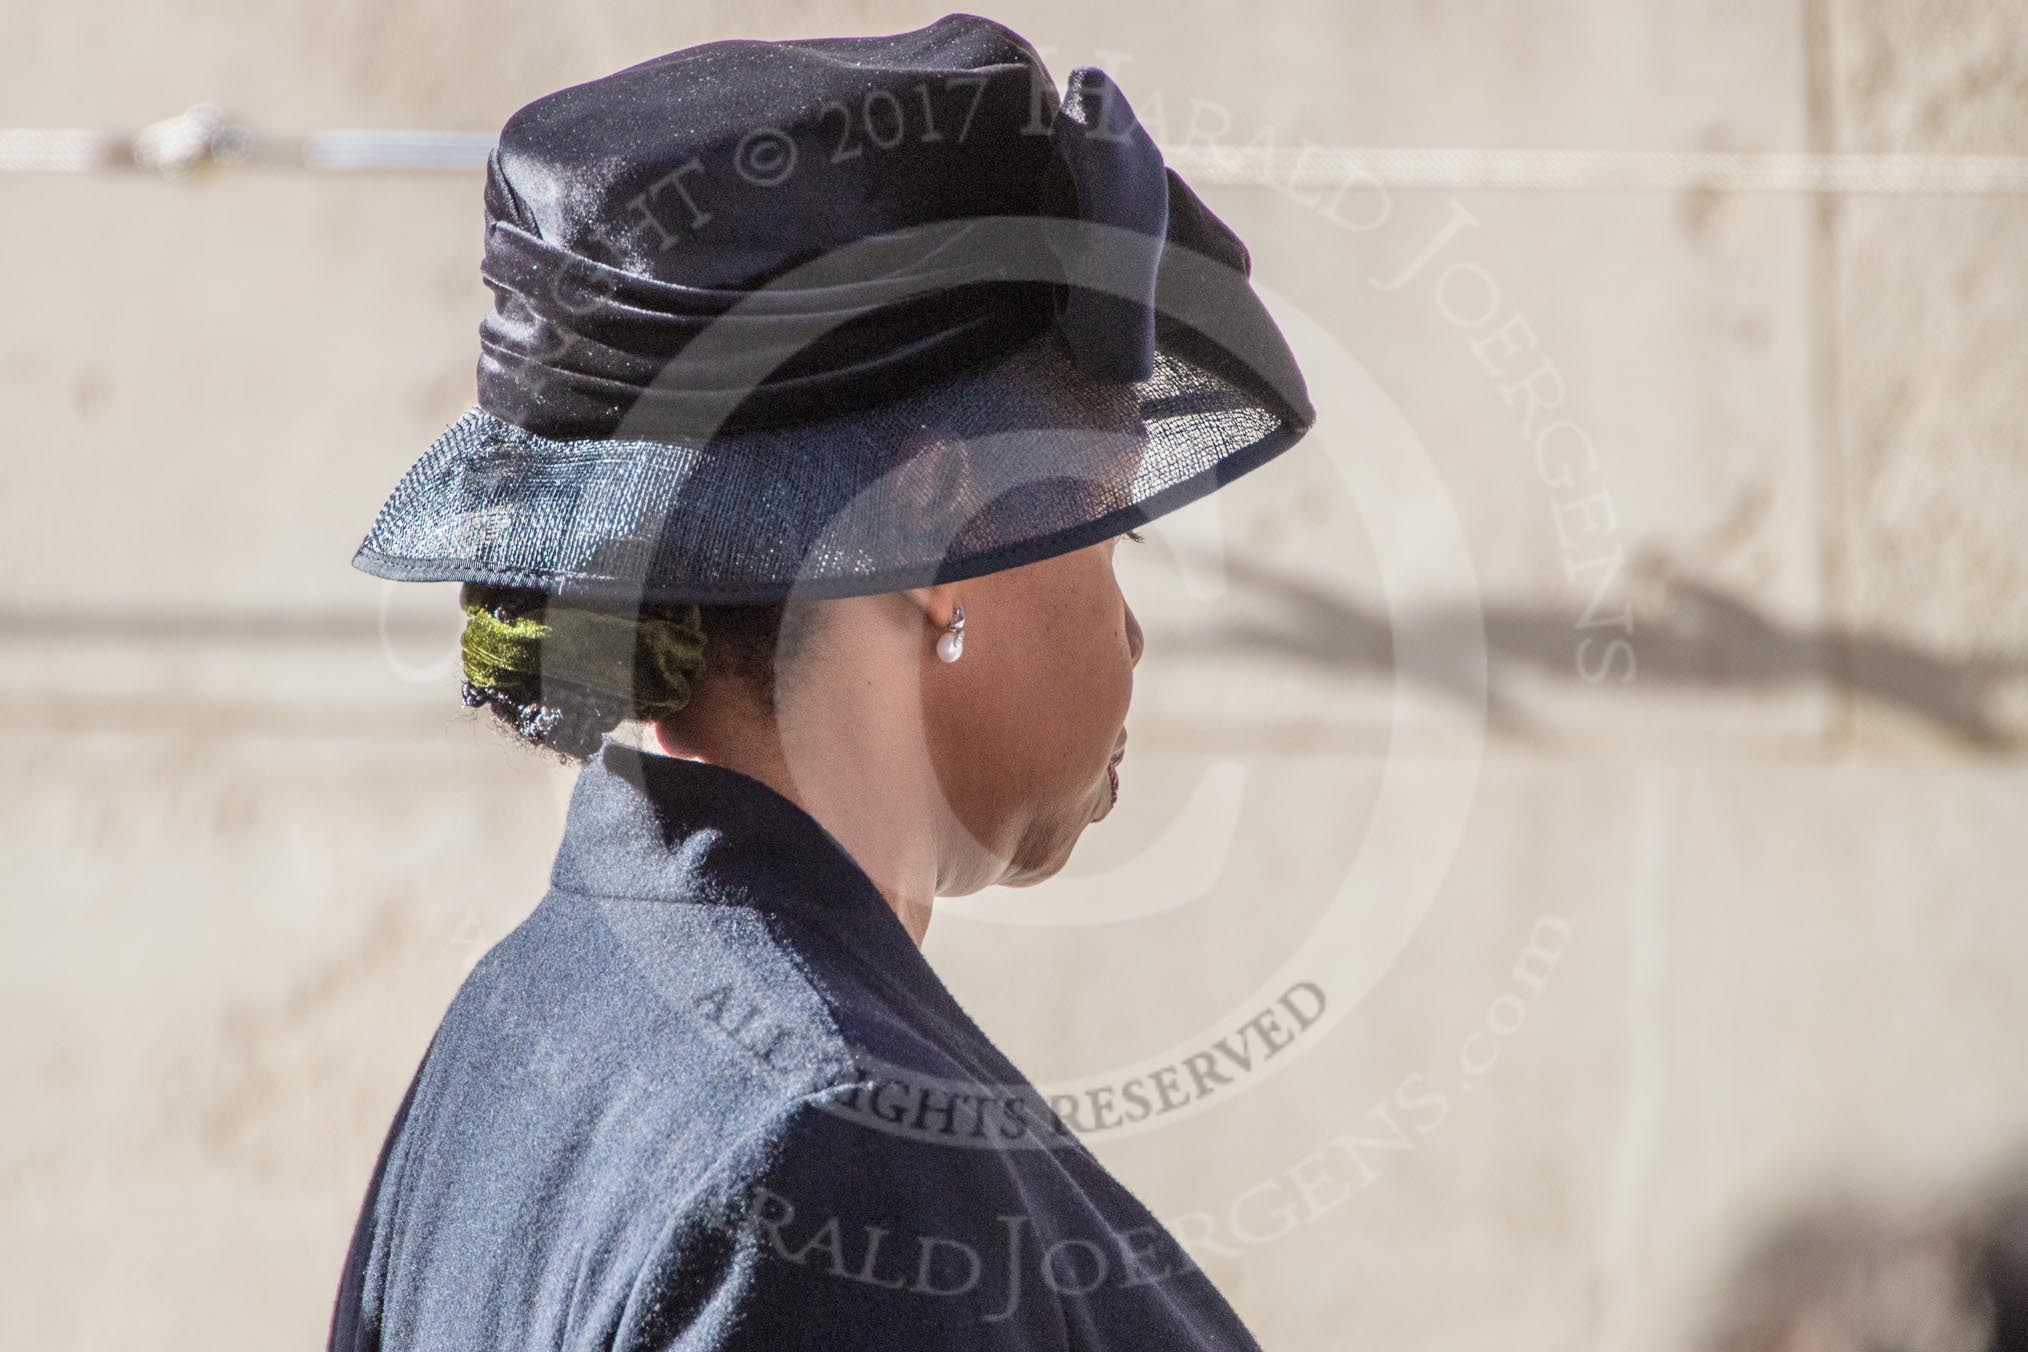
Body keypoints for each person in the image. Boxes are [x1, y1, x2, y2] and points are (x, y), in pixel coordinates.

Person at [330, 12, 1315, 1350]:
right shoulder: (834, 1154)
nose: (1131, 636)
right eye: (1105, 528)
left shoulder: (523, 1023)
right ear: (930, 536)